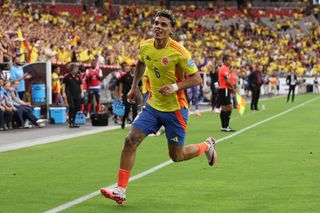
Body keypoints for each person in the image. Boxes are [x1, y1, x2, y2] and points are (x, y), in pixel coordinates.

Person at [100, 10, 217, 205]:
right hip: (153, 107)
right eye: (156, 23)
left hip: (175, 109)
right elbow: (140, 62)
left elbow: (196, 78)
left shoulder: (179, 52)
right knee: (130, 140)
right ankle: (120, 190)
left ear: (171, 30)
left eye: (163, 24)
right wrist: (134, 86)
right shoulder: (145, 46)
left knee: (176, 156)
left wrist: (174, 87)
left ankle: (207, 146)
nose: (158, 27)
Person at [118, 63, 140, 129]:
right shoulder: (125, 76)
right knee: (127, 110)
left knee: (135, 110)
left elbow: (140, 86)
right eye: (132, 68)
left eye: (135, 68)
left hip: (134, 96)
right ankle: (123, 121)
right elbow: (121, 85)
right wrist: (120, 95)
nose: (133, 69)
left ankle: (134, 124)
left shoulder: (137, 77)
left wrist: (142, 95)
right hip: (126, 95)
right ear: (130, 69)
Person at [62, 64, 83, 128]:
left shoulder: (78, 76)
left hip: (77, 94)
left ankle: (73, 121)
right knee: (72, 107)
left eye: (77, 68)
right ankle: (70, 121)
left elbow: (80, 85)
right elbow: (63, 85)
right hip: (70, 94)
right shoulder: (67, 76)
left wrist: (82, 92)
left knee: (77, 108)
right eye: (75, 68)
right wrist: (63, 93)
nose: (76, 70)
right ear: (72, 69)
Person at [218, 54, 236, 132]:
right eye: (229, 60)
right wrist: (233, 88)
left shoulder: (226, 69)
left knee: (224, 108)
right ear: (225, 61)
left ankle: (224, 126)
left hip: (224, 89)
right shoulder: (224, 68)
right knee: (230, 107)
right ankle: (226, 126)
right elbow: (227, 81)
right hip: (224, 89)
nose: (230, 61)